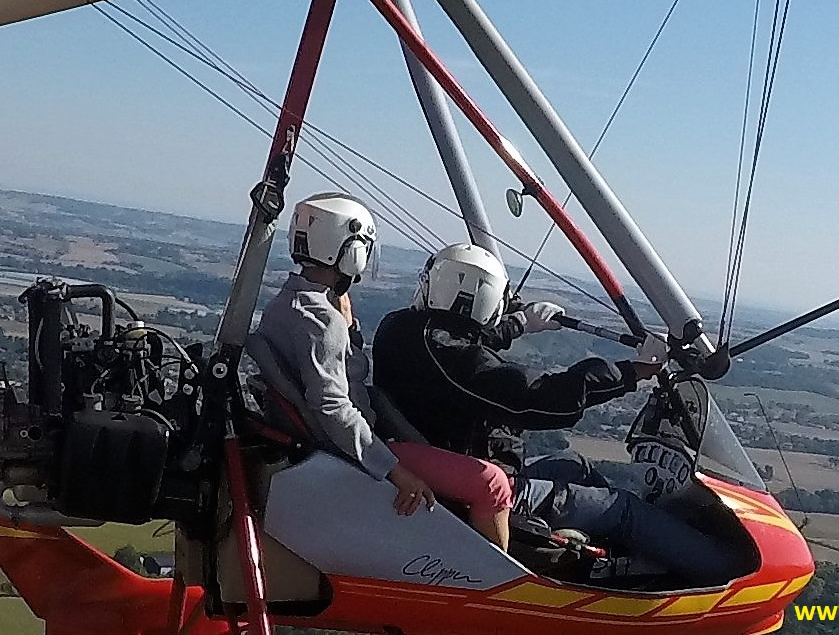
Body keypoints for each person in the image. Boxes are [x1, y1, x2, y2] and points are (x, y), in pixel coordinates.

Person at [370, 242, 743, 586]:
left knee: (575, 467)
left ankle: (633, 549)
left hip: (450, 461)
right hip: (480, 484)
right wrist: (631, 372)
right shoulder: (446, 353)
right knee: (623, 509)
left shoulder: (402, 329)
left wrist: (519, 324)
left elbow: (464, 338)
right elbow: (535, 399)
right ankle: (721, 569)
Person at [255, 194, 514, 549]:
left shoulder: (286, 303)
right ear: (351, 250)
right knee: (493, 483)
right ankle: (500, 589)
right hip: (354, 452)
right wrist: (394, 469)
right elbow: (333, 407)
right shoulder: (321, 321)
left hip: (340, 443)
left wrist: (350, 332)